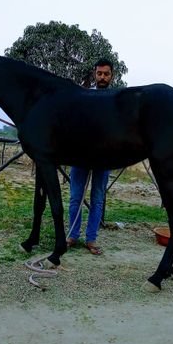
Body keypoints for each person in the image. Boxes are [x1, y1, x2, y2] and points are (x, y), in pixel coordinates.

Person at [67, 58, 114, 255]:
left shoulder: (116, 99)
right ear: (94, 74)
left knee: (97, 199)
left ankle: (91, 239)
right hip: (81, 156)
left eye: (106, 74)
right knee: (75, 198)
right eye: (99, 73)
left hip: (103, 158)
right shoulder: (84, 96)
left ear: (112, 76)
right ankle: (72, 235)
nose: (102, 77)